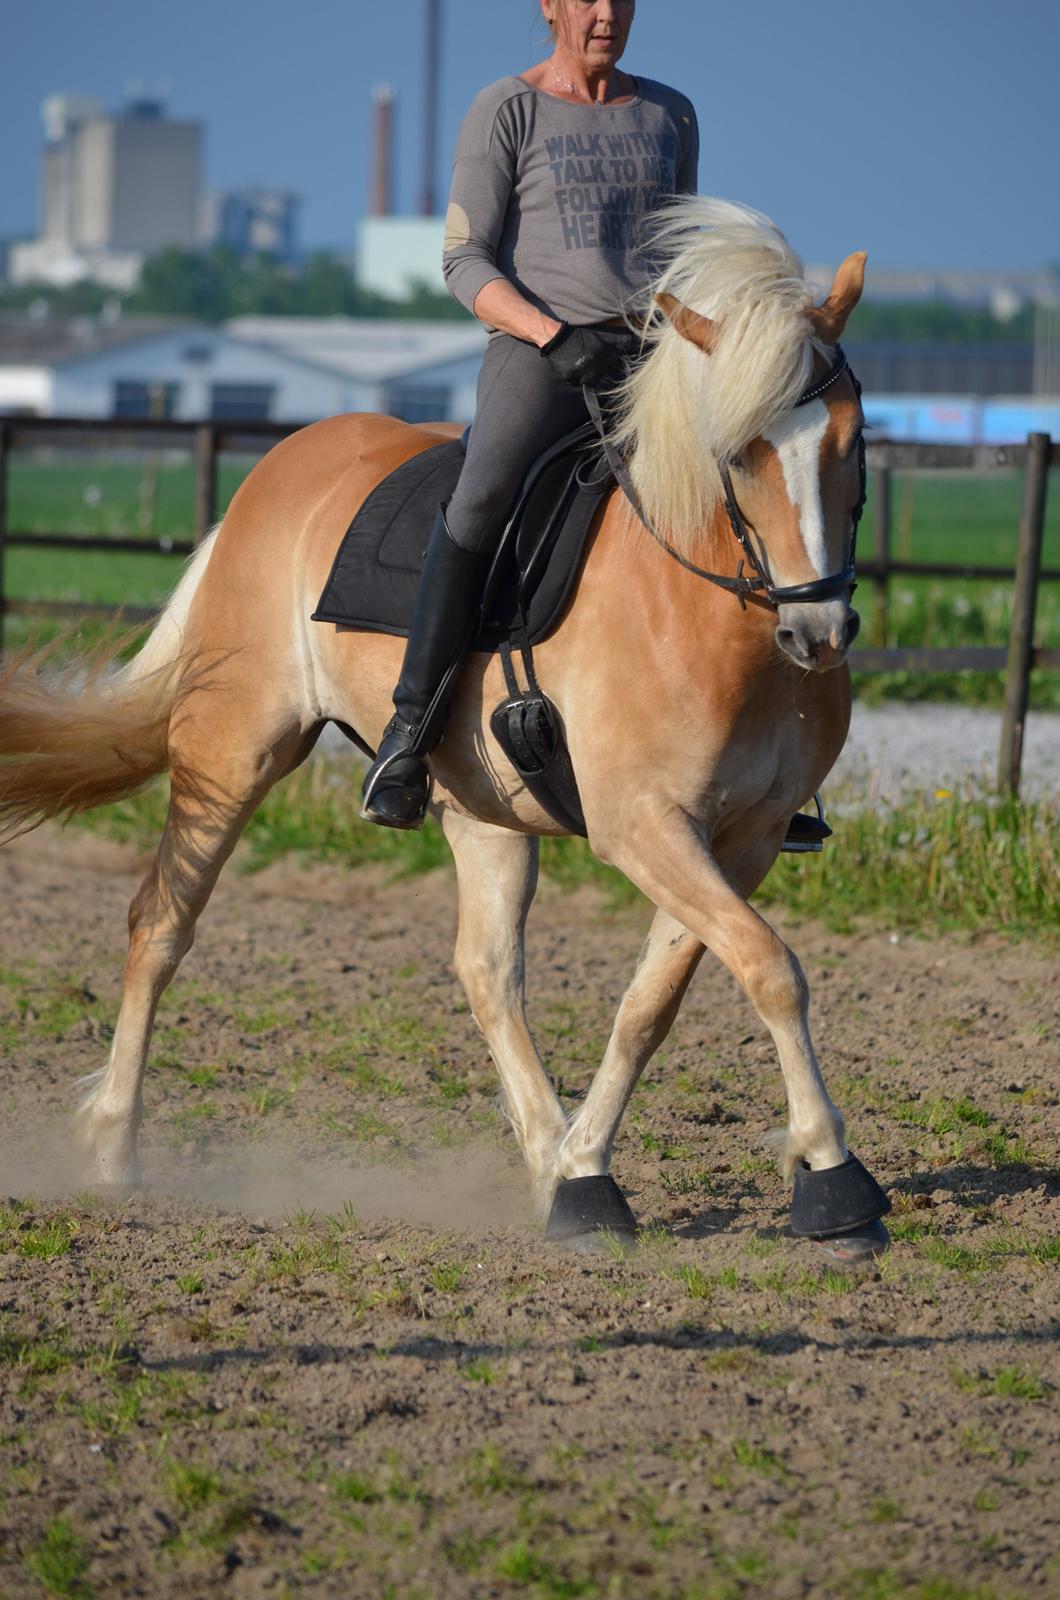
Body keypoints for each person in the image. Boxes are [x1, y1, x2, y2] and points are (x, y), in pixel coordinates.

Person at [360, 0, 699, 827]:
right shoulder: (505, 109)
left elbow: (681, 250)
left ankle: (765, 764)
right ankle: (409, 734)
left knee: (742, 491)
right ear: (548, 7)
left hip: (648, 354)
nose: (605, 14)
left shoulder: (671, 113)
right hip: (539, 353)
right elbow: (462, 259)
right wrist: (552, 336)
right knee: (481, 494)